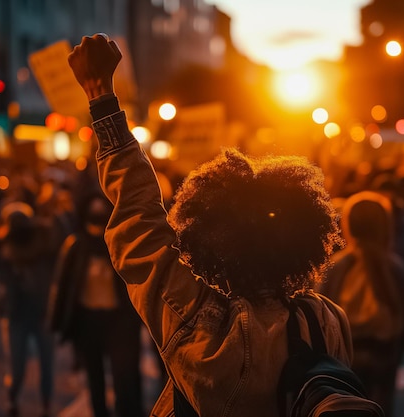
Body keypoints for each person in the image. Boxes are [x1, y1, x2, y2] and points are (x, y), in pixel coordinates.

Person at [67, 33, 353, 416]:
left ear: (208, 240)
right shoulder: (326, 320)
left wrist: (101, 96)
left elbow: (140, 221)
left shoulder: (201, 322)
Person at [319, 191, 404, 417]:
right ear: (385, 227)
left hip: (344, 357)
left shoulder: (336, 268)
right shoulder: (395, 268)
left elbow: (320, 316)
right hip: (385, 357)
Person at [49, 191, 144, 417]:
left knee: (124, 377)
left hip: (117, 322)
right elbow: (63, 287)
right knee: (94, 376)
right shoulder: (76, 247)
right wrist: (57, 321)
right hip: (88, 322)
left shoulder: (120, 246)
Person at [0, 201, 57, 417]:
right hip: (16, 312)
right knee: (17, 367)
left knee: (46, 366)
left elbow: (60, 243)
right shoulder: (4, 247)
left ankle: (45, 405)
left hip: (41, 313)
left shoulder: (41, 243)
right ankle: (13, 399)